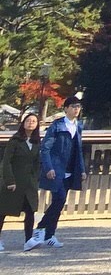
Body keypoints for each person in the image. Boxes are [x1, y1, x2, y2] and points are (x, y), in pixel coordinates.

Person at [29, 95, 87, 251]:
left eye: (78, 107)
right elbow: (45, 148)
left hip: (70, 169)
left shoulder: (78, 126)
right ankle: (41, 228)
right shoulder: (57, 126)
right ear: (66, 108)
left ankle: (50, 235)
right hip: (57, 168)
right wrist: (49, 167)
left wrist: (81, 169)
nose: (76, 109)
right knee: (59, 198)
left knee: (60, 202)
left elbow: (79, 149)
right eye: (73, 106)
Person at [0, 111, 40, 252]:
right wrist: (9, 180)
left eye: (34, 121)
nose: (31, 123)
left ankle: (28, 240)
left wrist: (36, 178)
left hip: (29, 183)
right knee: (3, 211)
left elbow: (36, 162)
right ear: (23, 123)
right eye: (28, 121)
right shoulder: (15, 140)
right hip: (13, 180)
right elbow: (7, 162)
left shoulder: (36, 142)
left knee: (30, 211)